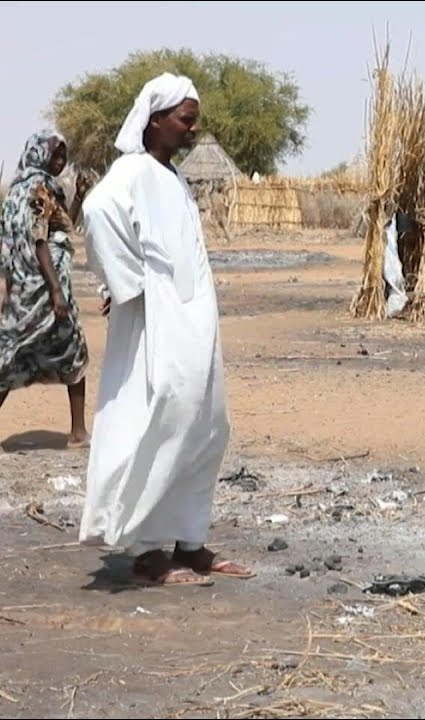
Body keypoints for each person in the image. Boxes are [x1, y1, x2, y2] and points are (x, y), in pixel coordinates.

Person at [78, 73, 250, 586]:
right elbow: (97, 211)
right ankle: (148, 550)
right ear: (155, 120)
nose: (193, 129)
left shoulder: (169, 175)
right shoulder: (132, 170)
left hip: (192, 316)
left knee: (207, 421)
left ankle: (190, 542)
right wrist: (126, 284)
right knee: (164, 417)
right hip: (159, 319)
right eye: (185, 120)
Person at [0, 130, 92, 447]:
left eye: (63, 155)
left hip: (21, 292)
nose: (60, 160)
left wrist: (78, 196)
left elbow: (62, 227)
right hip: (43, 288)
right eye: (55, 154)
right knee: (71, 349)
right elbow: (41, 241)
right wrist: (55, 291)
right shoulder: (39, 189)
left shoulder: (18, 191)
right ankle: (78, 432)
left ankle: (78, 431)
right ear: (39, 154)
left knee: (14, 356)